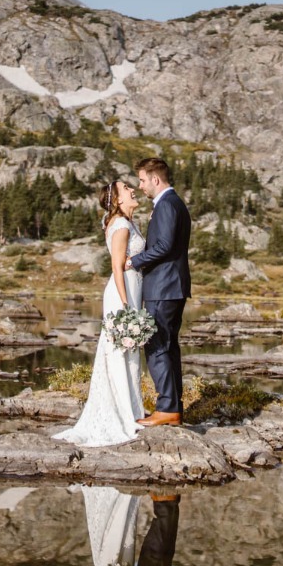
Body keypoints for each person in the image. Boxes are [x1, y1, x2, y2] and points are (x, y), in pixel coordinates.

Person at [54, 181, 146, 447]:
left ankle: (133, 410)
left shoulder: (127, 221)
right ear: (117, 198)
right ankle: (124, 415)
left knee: (129, 352)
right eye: (127, 187)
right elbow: (117, 267)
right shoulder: (120, 226)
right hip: (122, 293)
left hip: (132, 289)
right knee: (120, 351)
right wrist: (127, 305)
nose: (133, 189)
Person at [126, 158, 191, 427]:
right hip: (172, 286)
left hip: (163, 287)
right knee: (168, 347)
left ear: (155, 179)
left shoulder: (166, 205)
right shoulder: (174, 203)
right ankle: (173, 406)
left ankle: (167, 408)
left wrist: (134, 261)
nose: (140, 186)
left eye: (142, 180)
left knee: (155, 345)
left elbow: (164, 246)